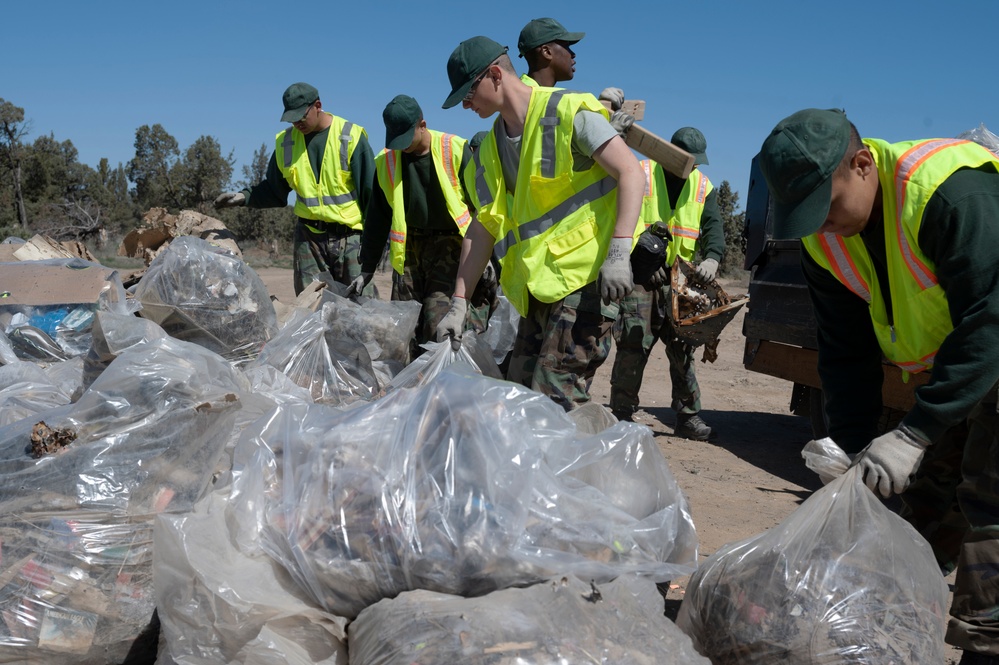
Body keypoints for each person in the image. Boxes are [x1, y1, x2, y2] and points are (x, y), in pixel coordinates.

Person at [759, 107, 999, 664]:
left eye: (826, 206)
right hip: (957, 366)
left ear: (863, 165)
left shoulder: (951, 196)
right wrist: (848, 443)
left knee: (990, 515)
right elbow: (846, 352)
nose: (820, 225)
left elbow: (990, 321)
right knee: (908, 509)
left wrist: (914, 434)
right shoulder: (827, 241)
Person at [436, 36, 644, 411]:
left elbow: (631, 172)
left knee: (554, 401)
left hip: (586, 281)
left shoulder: (567, 112)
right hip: (537, 289)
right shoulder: (486, 151)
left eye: (468, 93)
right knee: (519, 399)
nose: (466, 104)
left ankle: (571, 470)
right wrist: (459, 303)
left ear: (495, 75)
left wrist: (619, 250)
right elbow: (483, 227)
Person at [609, 127, 724, 440]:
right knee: (634, 344)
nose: (695, 168)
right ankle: (621, 413)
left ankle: (688, 416)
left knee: (683, 349)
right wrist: (641, 263)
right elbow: (619, 217)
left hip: (681, 283)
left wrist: (712, 258)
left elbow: (714, 229)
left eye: (698, 163)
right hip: (641, 280)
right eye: (690, 161)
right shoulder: (640, 172)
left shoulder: (703, 187)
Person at [215, 82, 375, 295]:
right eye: (292, 117)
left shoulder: (350, 137)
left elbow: (372, 195)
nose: (297, 123)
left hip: (351, 239)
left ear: (318, 105)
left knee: (361, 307)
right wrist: (243, 197)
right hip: (309, 240)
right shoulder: (286, 143)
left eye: (301, 116)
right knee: (312, 307)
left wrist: (373, 245)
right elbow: (274, 190)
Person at [347, 95, 472, 355]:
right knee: (402, 329)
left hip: (450, 250)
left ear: (422, 125)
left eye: (406, 139)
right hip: (409, 253)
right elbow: (377, 220)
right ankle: (407, 389)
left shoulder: (455, 150)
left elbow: (485, 209)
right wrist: (367, 268)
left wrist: (490, 257)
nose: (401, 148)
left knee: (438, 326)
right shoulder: (386, 162)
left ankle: (437, 390)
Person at [516, 18, 634, 136]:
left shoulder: (516, 97)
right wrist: (610, 135)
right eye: (566, 46)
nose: (573, 54)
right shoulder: (554, 103)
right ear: (547, 52)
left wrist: (598, 110)